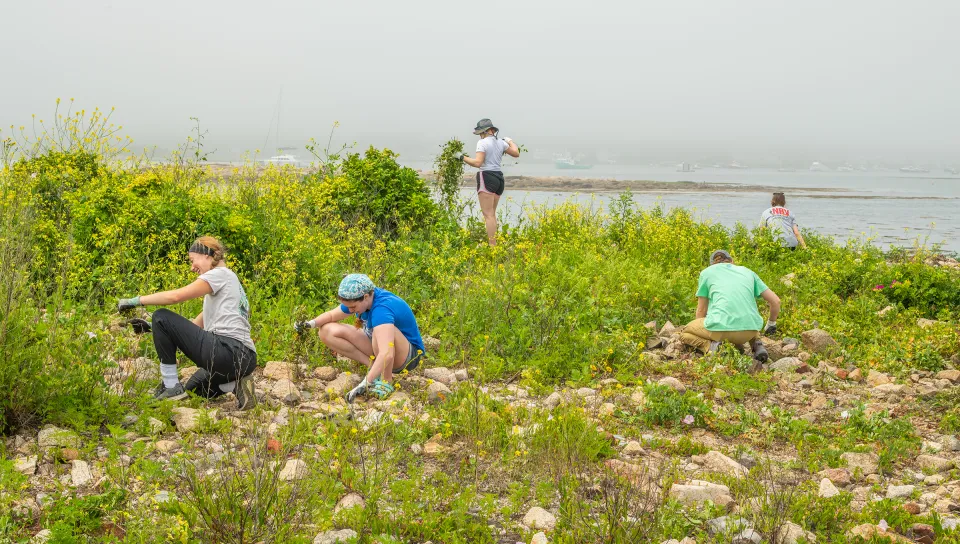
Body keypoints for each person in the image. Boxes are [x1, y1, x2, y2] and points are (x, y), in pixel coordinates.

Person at [117, 236, 258, 410]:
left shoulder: (219, 274)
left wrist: (135, 301)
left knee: (161, 315)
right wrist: (152, 327)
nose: (192, 268)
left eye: (193, 260)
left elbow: (175, 297)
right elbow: (192, 327)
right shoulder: (230, 284)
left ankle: (170, 386)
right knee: (193, 389)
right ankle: (236, 385)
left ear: (207, 254)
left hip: (228, 351)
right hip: (245, 359)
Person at [295, 274, 425, 401]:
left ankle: (386, 380)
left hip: (406, 356)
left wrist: (365, 382)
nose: (350, 311)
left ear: (366, 296)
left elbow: (387, 353)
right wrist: (310, 324)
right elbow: (331, 315)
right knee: (326, 330)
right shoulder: (361, 300)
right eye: (348, 307)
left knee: (378, 331)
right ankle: (373, 367)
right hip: (380, 347)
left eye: (353, 307)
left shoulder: (382, 309)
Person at [679, 250, 781, 370]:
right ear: (732, 262)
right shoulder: (748, 272)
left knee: (684, 333)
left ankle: (712, 347)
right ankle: (757, 345)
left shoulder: (707, 273)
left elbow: (701, 310)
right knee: (746, 315)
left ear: (712, 264)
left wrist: (705, 332)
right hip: (750, 331)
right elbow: (776, 301)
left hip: (720, 331)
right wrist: (771, 324)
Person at [455, 118, 520, 246]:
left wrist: (461, 157)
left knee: (488, 215)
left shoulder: (482, 143)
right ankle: (494, 243)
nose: (480, 135)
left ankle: (492, 247)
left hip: (487, 176)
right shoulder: (501, 143)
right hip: (499, 178)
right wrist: (510, 141)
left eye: (481, 133)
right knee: (492, 214)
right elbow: (516, 153)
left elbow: (478, 163)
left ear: (487, 131)